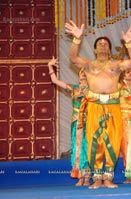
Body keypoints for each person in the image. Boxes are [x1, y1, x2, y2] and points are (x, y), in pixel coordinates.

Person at [65, 20, 131, 189]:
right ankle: (97, 179)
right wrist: (77, 39)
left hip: (113, 105)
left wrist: (129, 43)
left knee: (112, 141)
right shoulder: (89, 65)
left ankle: (108, 178)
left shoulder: (116, 65)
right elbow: (73, 58)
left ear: (109, 48)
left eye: (106, 44)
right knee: (94, 141)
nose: (103, 46)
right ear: (95, 49)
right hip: (94, 105)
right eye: (100, 44)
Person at [47, 56, 90, 186]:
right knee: (77, 148)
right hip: (76, 122)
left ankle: (86, 176)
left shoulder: (94, 90)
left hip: (89, 122)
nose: (83, 74)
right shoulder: (74, 88)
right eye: (81, 72)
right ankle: (79, 176)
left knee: (86, 148)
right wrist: (50, 66)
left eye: (85, 72)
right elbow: (54, 80)